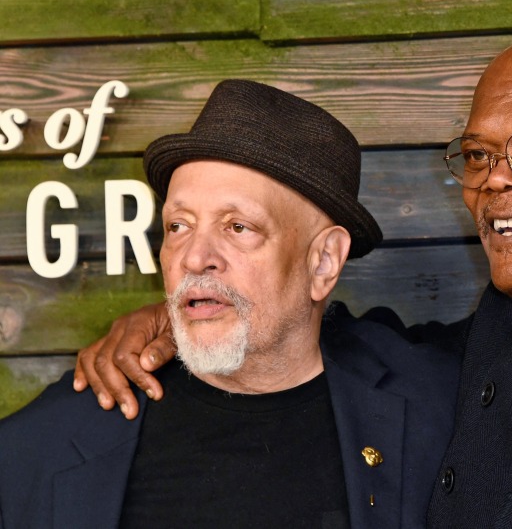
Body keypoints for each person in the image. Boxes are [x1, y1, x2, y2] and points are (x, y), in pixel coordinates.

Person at [77, 29, 512, 527]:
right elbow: (378, 355)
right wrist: (197, 316)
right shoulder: (502, 323)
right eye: (478, 153)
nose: (496, 178)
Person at [0, 80, 460, 529]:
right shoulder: (40, 442)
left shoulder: (438, 405)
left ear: (323, 262)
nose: (194, 258)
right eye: (178, 226)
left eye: (237, 227)